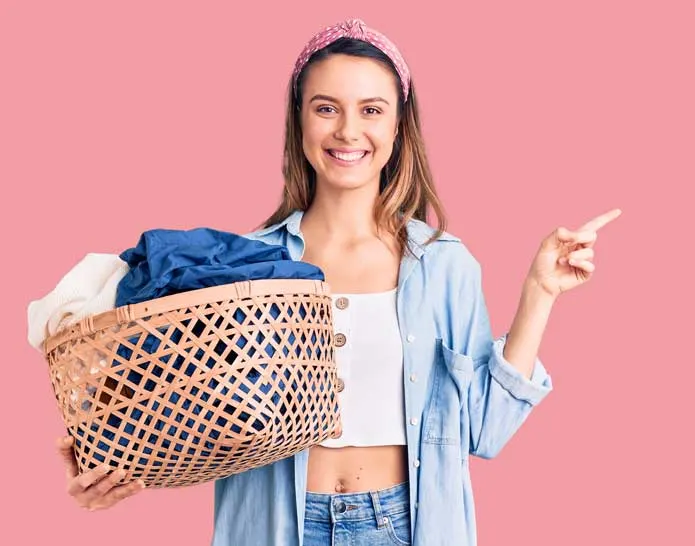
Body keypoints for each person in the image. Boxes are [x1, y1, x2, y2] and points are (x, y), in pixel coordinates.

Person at [54, 18, 620, 545]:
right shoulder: (243, 267)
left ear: (399, 126)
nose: (349, 130)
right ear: (299, 120)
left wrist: (539, 293)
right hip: (277, 526)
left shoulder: (445, 266)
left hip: (407, 525)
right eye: (326, 108)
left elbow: (487, 432)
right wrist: (107, 463)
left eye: (372, 109)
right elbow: (181, 410)